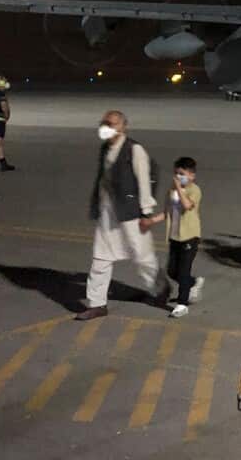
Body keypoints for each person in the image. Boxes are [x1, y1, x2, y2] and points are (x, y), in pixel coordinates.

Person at [76, 110, 165, 320]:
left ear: (124, 127)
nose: (109, 127)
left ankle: (160, 290)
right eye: (106, 123)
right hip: (108, 212)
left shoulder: (135, 150)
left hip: (131, 212)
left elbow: (144, 180)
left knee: (142, 255)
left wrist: (146, 212)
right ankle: (97, 303)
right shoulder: (104, 147)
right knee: (100, 257)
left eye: (114, 124)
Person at [141, 157, 203, 318]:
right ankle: (193, 282)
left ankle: (182, 305)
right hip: (175, 236)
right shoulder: (172, 190)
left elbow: (187, 206)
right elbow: (167, 211)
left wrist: (179, 189)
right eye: (176, 173)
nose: (178, 177)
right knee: (172, 270)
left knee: (183, 271)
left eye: (182, 174)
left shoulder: (194, 190)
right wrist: (151, 221)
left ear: (191, 175)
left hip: (190, 236)